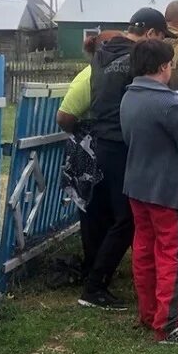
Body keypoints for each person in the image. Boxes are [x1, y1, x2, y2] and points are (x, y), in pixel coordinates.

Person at [81, 8, 178, 310]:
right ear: (151, 34)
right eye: (161, 38)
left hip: (103, 138)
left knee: (105, 215)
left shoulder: (103, 54)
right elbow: (157, 104)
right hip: (129, 143)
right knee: (127, 220)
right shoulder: (138, 60)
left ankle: (95, 275)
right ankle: (95, 285)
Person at [120, 39, 178, 345]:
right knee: (175, 254)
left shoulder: (129, 97)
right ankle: (170, 323)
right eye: (171, 64)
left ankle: (149, 314)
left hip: (137, 187)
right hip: (170, 190)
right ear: (162, 66)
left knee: (145, 251)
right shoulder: (169, 102)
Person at [56, 30, 121, 284]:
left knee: (105, 210)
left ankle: (102, 267)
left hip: (101, 147)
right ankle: (94, 269)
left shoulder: (106, 74)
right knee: (93, 211)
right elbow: (64, 117)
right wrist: (87, 132)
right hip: (89, 150)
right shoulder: (89, 77)